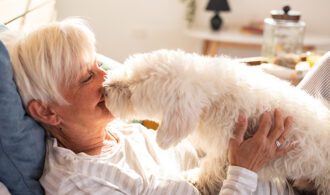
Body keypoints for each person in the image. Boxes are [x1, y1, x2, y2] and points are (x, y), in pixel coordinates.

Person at [5, 18, 296, 195]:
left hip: (284, 172)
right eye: (86, 77)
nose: (106, 78)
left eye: (99, 65)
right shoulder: (79, 183)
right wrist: (244, 168)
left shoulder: (119, 130)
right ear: (47, 112)